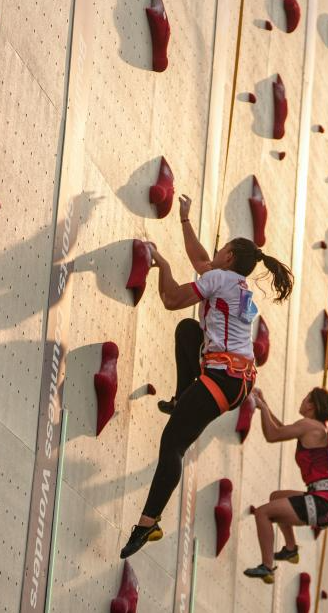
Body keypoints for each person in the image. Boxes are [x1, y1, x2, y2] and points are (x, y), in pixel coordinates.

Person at [119, 195, 295, 559]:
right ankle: (181, 397)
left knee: (173, 444)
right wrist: (184, 220)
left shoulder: (220, 279)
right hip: (238, 378)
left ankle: (148, 522)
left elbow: (171, 299)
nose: (214, 253)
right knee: (188, 331)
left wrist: (163, 265)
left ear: (228, 257)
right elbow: (201, 261)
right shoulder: (235, 283)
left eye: (221, 249)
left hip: (224, 377)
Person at [242, 386, 328, 583]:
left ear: (311, 406)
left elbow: (272, 435)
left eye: (305, 398)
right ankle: (291, 549)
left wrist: (262, 408)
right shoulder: (318, 428)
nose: (302, 401)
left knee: (263, 513)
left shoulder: (309, 426)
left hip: (325, 502)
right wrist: (264, 405)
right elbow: (282, 429)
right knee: (276, 497)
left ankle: (267, 567)